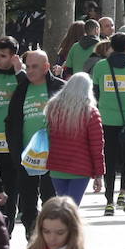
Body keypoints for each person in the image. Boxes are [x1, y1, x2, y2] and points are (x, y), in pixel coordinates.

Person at [2, 50, 64, 229]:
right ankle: (31, 235)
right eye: (27, 66)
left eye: (34, 67)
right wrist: (15, 149)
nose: (29, 71)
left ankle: (50, 237)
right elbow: (11, 121)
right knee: (28, 203)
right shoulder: (21, 89)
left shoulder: (60, 88)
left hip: (53, 157)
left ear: (46, 67)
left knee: (51, 201)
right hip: (26, 156)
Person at [91, 31, 125, 217]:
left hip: (105, 121)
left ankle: (109, 201)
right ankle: (123, 192)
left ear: (111, 46)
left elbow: (94, 94)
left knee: (110, 160)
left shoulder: (100, 67)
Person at [32, 70, 103, 208]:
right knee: (70, 209)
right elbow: (97, 145)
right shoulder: (90, 112)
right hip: (80, 168)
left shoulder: (52, 107)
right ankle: (68, 229)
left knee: (64, 206)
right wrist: (99, 174)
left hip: (57, 167)